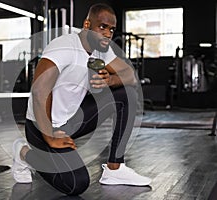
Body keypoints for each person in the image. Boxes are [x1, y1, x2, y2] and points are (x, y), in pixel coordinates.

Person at [12, 3, 151, 196]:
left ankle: (115, 169)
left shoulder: (102, 48)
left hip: (71, 122)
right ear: (87, 24)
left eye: (111, 29)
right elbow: (39, 91)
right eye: (102, 27)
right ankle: (24, 154)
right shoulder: (65, 46)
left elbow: (130, 76)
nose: (107, 34)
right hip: (40, 125)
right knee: (76, 184)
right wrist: (50, 134)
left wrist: (110, 80)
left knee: (127, 93)